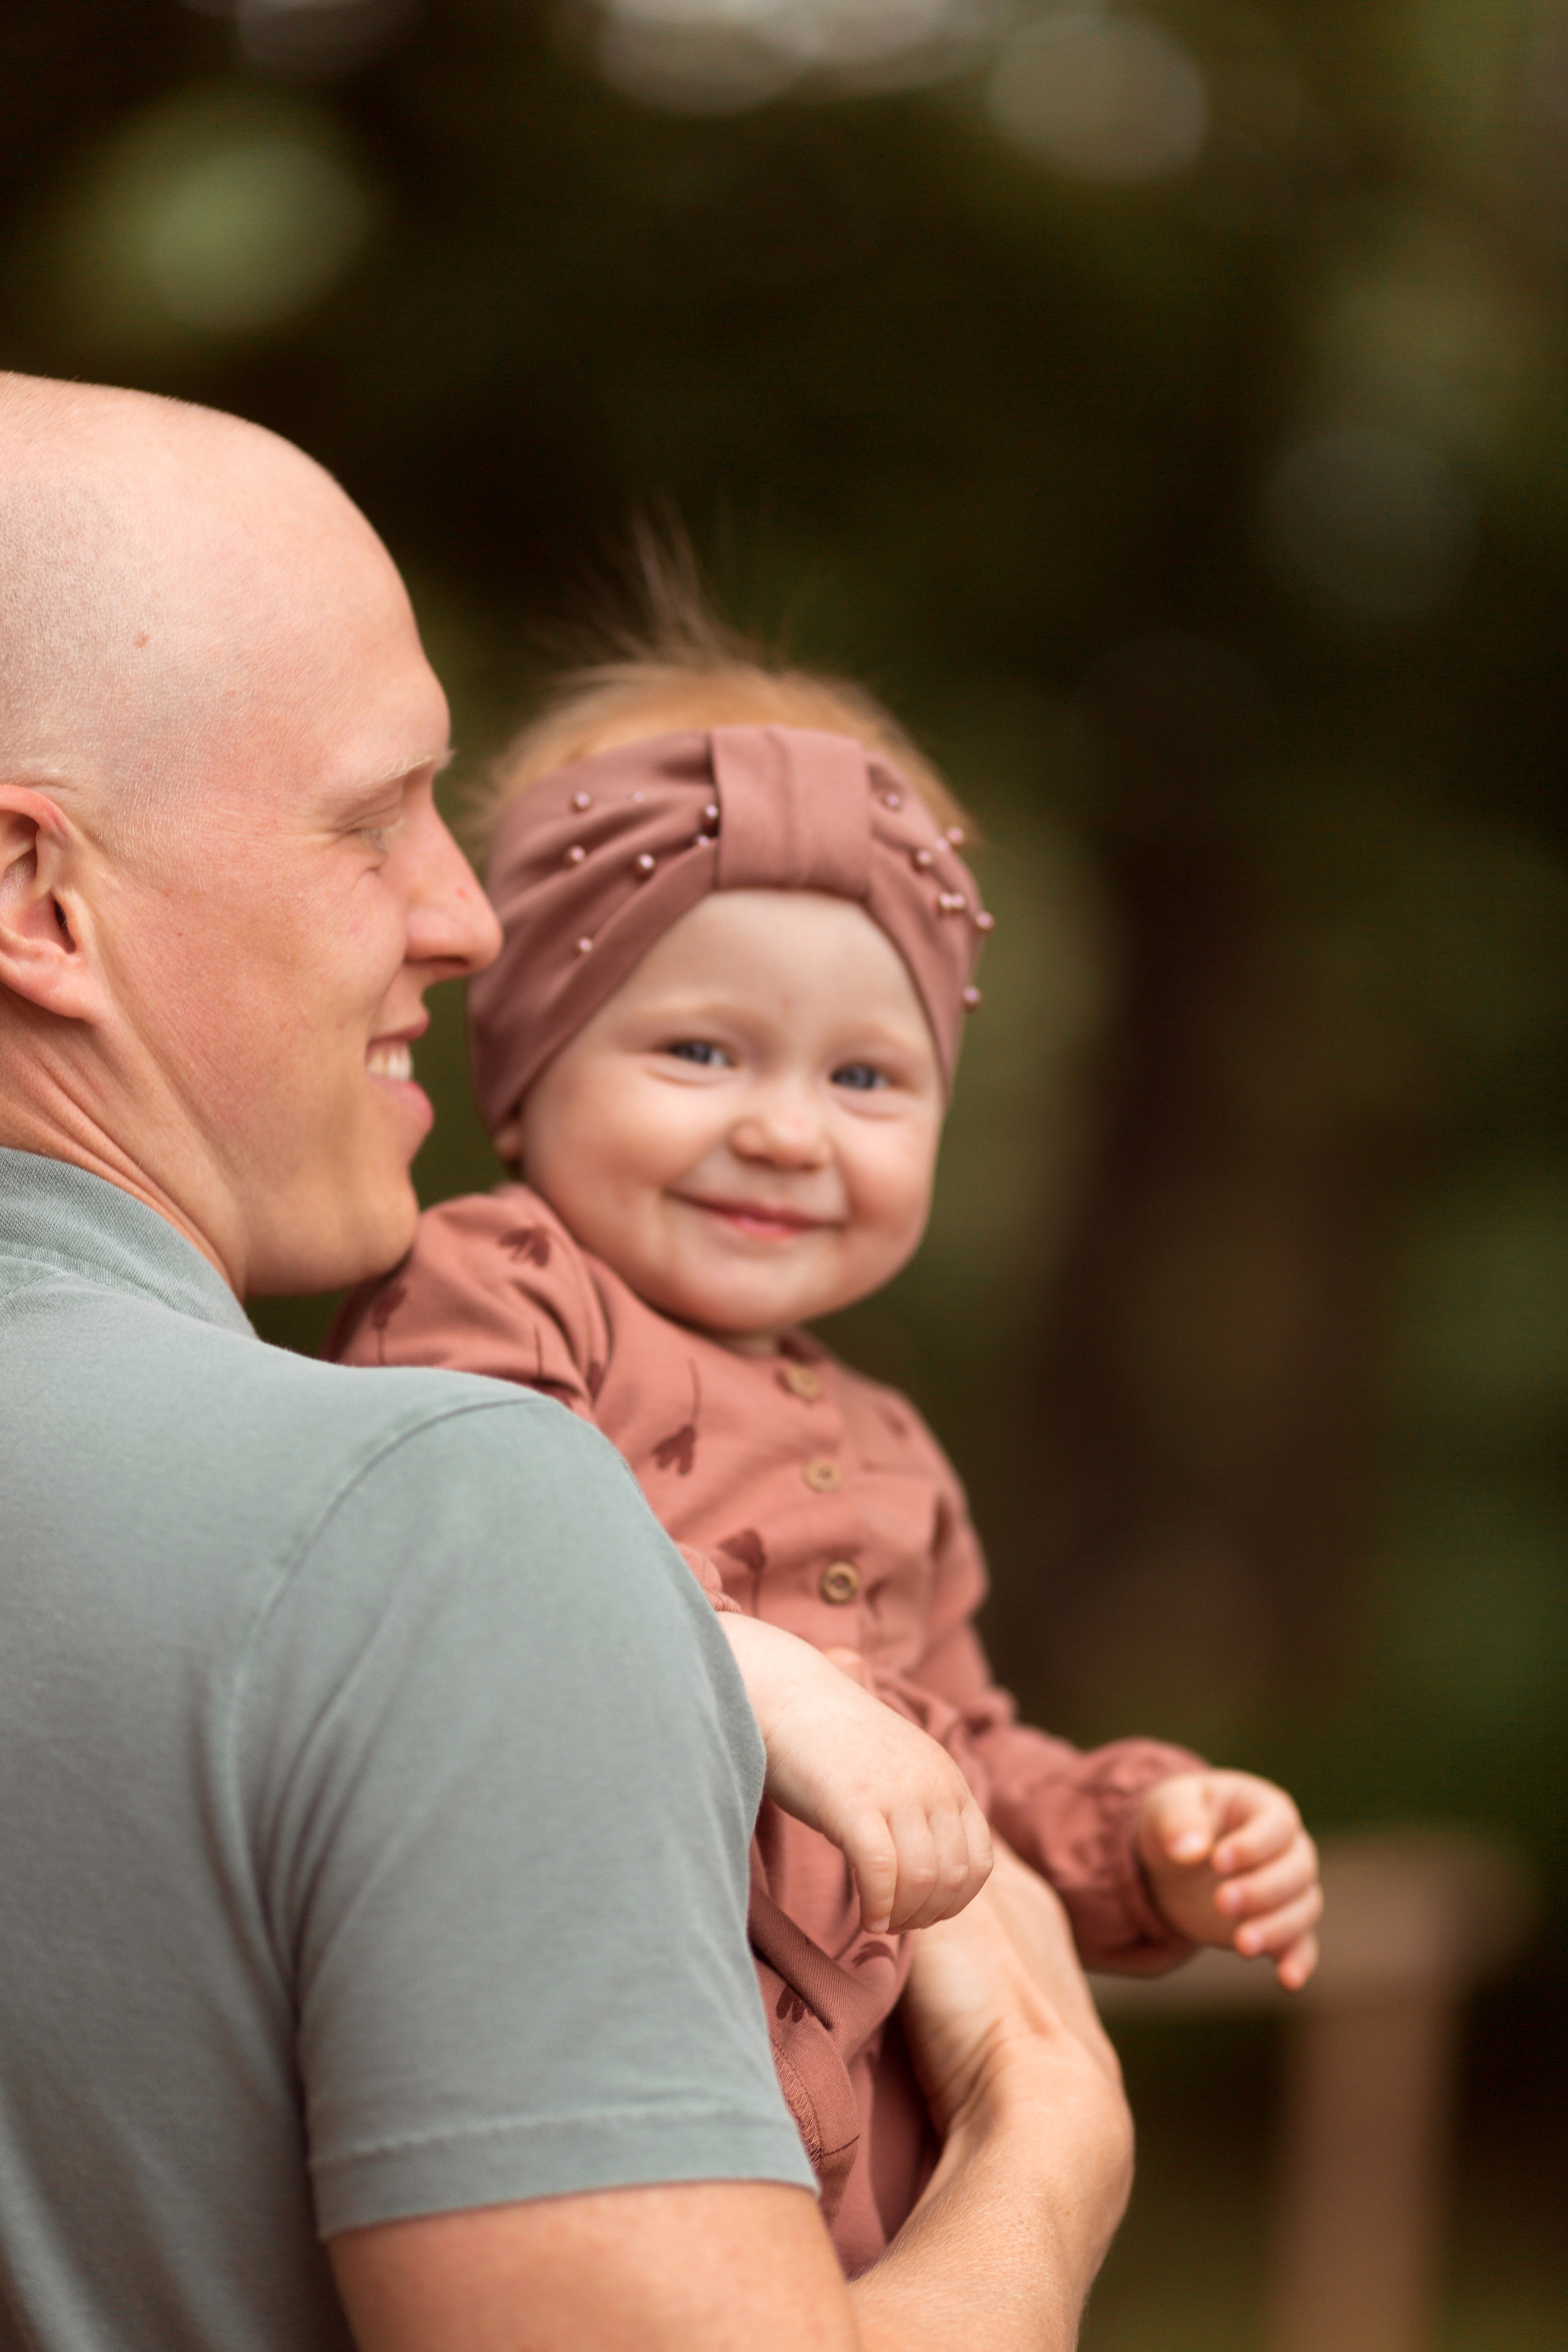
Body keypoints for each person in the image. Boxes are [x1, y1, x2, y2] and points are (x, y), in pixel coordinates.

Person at [0, 370, 1134, 2352]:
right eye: (374, 821)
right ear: (38, 895)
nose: (461, 922)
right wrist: (1050, 2128)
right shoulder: (452, 1516)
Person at [330, 609, 1325, 2270]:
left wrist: (1145, 1836)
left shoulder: (887, 1445)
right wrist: (759, 1675)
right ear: (527, 1065)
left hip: (874, 2178)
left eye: (867, 1077)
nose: (785, 1130)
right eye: (701, 1050)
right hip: (606, 2120)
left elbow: (965, 1766)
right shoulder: (496, 1284)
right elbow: (457, 1568)